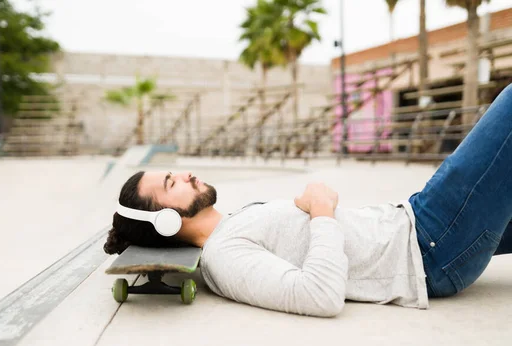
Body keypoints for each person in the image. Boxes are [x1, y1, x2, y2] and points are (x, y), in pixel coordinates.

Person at [103, 84, 512, 317]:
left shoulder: (233, 227)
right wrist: (322, 211)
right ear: (166, 222)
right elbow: (319, 296)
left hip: (414, 223)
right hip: (428, 245)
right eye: (172, 182)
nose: (187, 173)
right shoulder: (223, 257)